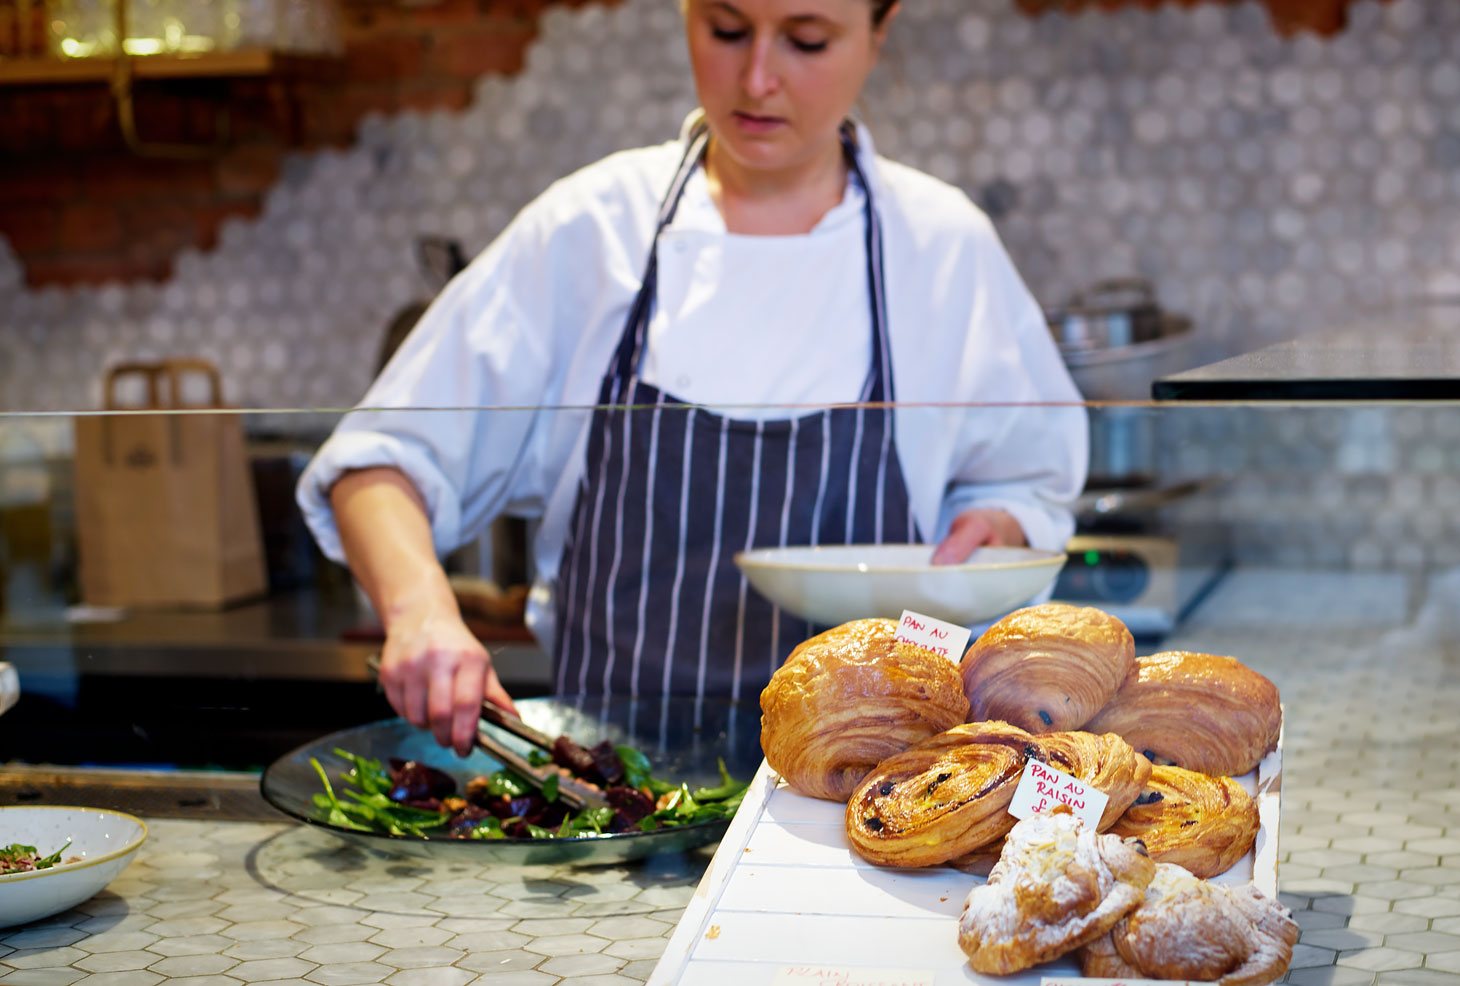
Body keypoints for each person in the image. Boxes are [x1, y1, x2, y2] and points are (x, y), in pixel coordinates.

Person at [297, 0, 1088, 757]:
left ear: (880, 32)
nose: (756, 79)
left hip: (869, 808)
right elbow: (377, 463)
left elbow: (1025, 485)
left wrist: (999, 526)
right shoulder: (590, 230)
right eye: (727, 28)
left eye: (806, 41)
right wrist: (419, 610)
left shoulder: (942, 248)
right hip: (612, 802)